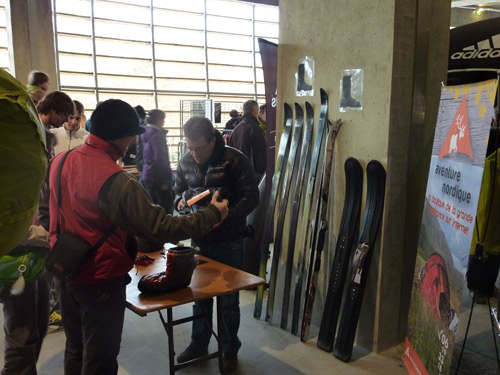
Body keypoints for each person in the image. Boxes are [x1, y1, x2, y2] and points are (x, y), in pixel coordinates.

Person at [38, 99, 228, 375]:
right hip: (100, 282)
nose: (133, 143)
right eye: (131, 136)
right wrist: (213, 214)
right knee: (100, 358)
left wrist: (75, 236)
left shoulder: (60, 161)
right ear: (121, 137)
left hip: (63, 271)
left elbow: (46, 214)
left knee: (76, 348)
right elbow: (162, 228)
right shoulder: (117, 180)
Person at [174, 116, 258, 374]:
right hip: (198, 238)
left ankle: (229, 349)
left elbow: (251, 197)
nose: (195, 154)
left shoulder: (235, 160)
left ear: (213, 140)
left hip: (228, 240)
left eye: (200, 148)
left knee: (228, 300)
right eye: (190, 148)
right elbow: (178, 189)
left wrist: (226, 216)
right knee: (199, 296)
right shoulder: (186, 160)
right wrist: (179, 201)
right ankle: (199, 343)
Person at [140, 109, 174, 215]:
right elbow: (160, 158)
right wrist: (166, 180)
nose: (164, 122)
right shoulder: (158, 135)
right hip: (158, 177)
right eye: (163, 119)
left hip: (146, 174)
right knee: (165, 208)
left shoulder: (144, 132)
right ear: (159, 120)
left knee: (150, 209)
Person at [229, 100, 267, 180]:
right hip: (253, 172)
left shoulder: (235, 129)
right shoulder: (256, 129)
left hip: (238, 172)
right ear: (255, 111)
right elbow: (262, 153)